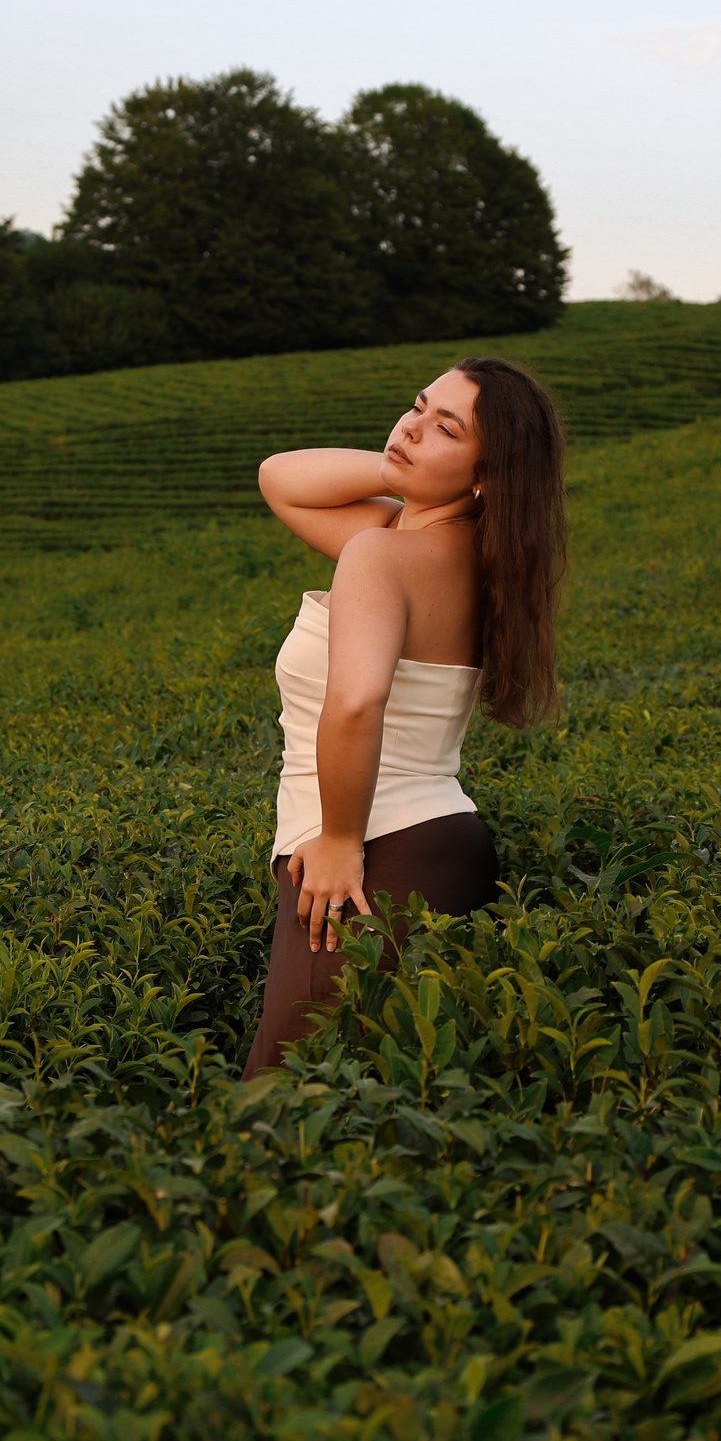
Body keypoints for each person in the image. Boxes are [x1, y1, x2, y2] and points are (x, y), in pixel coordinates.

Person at [241, 356, 568, 1079]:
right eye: (417, 406)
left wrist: (338, 838)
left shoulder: (382, 553)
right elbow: (279, 477)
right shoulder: (463, 554)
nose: (412, 428)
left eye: (446, 428)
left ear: (488, 475)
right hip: (440, 842)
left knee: (282, 1099)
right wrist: (402, 464)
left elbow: (357, 701)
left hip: (369, 848)